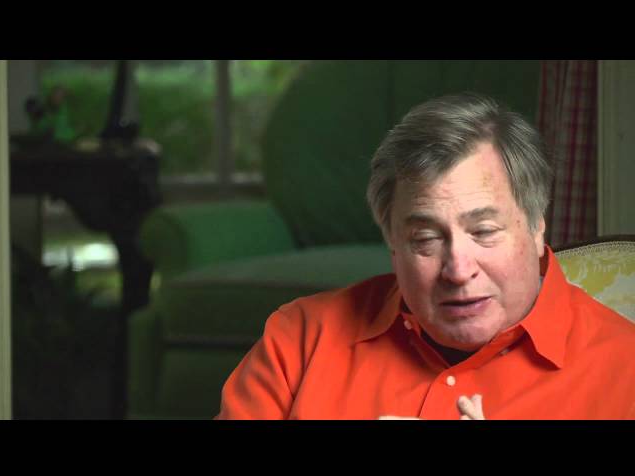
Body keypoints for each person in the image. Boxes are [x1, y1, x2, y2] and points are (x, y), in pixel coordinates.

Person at [216, 93, 635, 420]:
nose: (458, 270)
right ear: (391, 240)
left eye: (484, 231)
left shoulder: (624, 369)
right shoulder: (299, 340)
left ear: (536, 225)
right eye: (426, 238)